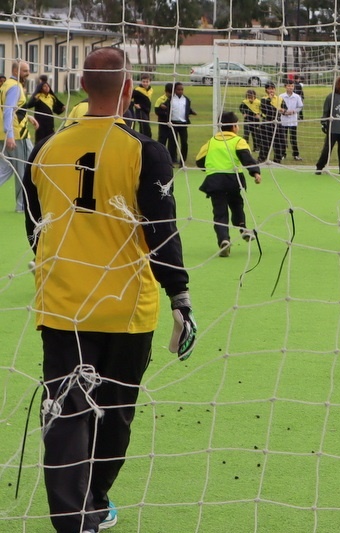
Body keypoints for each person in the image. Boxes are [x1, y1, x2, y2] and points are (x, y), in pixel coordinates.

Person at [21, 46, 196, 533]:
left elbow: (35, 230)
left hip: (62, 308)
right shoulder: (146, 150)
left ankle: (77, 519)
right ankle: (94, 500)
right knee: (115, 415)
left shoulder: (45, 149)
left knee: (66, 414)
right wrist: (179, 295)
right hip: (125, 310)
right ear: (128, 88)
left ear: (81, 86)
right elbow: (162, 232)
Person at [196, 111, 262, 256]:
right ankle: (242, 227)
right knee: (237, 205)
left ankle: (223, 240)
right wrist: (255, 173)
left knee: (219, 213)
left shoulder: (211, 141)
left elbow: (199, 160)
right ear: (234, 126)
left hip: (214, 181)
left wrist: (211, 167)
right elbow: (246, 158)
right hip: (232, 180)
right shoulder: (238, 141)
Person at [0, 60, 37, 212]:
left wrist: (28, 117)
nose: (28, 73)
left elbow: (13, 109)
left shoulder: (6, 84)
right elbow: (8, 110)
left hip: (10, 133)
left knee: (5, 169)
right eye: (25, 71)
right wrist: (10, 135)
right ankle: (22, 206)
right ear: (16, 71)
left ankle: (23, 204)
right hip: (17, 135)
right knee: (25, 170)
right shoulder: (15, 87)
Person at [315, 75, 340, 175]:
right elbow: (326, 111)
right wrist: (323, 123)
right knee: (327, 149)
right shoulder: (331, 97)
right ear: (338, 85)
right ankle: (319, 166)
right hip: (332, 128)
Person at [24, 77, 65, 142]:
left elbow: (55, 110)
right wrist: (34, 99)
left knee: (50, 138)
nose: (47, 88)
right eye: (44, 86)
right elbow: (29, 105)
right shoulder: (38, 96)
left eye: (48, 86)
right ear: (41, 88)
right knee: (40, 139)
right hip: (40, 122)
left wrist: (62, 109)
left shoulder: (52, 97)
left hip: (49, 122)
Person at [164, 82, 196, 165]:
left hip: (183, 123)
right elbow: (166, 107)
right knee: (172, 142)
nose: (180, 91)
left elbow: (187, 109)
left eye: (182, 89)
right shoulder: (171, 99)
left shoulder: (186, 99)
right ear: (174, 90)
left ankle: (182, 161)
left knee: (184, 142)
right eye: (178, 89)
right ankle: (171, 160)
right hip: (173, 123)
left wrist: (192, 112)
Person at [277, 79, 304, 161]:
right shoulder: (281, 96)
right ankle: (282, 154)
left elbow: (300, 107)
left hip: (293, 121)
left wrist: (293, 111)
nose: (290, 88)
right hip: (283, 120)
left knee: (293, 139)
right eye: (289, 86)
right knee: (283, 138)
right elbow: (278, 106)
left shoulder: (297, 96)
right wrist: (283, 111)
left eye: (292, 86)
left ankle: (296, 155)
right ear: (285, 87)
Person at [129, 72, 153, 138]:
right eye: (143, 81)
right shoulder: (137, 90)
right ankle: (145, 140)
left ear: (150, 82)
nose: (145, 83)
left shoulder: (151, 90)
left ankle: (143, 141)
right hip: (140, 111)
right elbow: (128, 98)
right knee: (145, 128)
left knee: (145, 127)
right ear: (141, 81)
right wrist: (134, 104)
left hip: (147, 111)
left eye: (147, 82)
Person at [154, 83, 172, 148]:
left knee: (172, 142)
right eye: (169, 93)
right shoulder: (160, 99)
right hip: (163, 123)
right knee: (162, 140)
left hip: (172, 123)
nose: (170, 95)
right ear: (165, 92)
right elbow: (157, 111)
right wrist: (166, 112)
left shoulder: (174, 99)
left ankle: (172, 157)